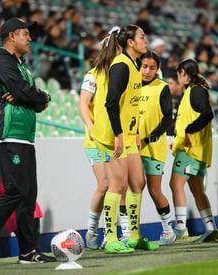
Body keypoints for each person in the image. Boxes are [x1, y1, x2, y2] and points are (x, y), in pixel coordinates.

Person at [0, 17, 55, 264]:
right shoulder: (0, 61)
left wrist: (39, 98)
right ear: (11, 36)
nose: (30, 39)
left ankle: (28, 252)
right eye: (25, 34)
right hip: (8, 135)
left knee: (28, 195)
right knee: (17, 190)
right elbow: (23, 91)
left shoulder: (20, 65)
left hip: (24, 136)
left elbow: (32, 97)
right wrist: (32, 97)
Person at [91, 24, 159, 254]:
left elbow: (129, 104)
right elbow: (111, 102)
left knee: (138, 182)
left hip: (128, 135)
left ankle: (134, 236)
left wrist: (135, 131)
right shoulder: (121, 65)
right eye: (142, 37)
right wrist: (119, 135)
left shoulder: (134, 64)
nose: (145, 40)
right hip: (111, 136)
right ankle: (111, 239)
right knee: (117, 184)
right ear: (130, 42)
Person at [78, 27, 123, 249]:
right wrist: (91, 127)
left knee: (115, 185)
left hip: (111, 138)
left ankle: (110, 233)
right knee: (105, 184)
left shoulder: (118, 74)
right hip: (94, 141)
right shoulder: (93, 75)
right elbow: (83, 104)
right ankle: (93, 230)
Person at [169, 58, 218, 243]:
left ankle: (181, 228)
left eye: (178, 74)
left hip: (190, 150)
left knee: (175, 185)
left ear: (183, 73)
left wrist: (189, 130)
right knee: (197, 188)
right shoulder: (197, 90)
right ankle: (210, 227)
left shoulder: (195, 91)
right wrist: (179, 137)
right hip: (196, 149)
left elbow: (207, 113)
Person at [138, 51, 175, 245]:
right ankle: (129, 234)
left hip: (153, 147)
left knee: (154, 190)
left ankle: (168, 230)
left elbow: (168, 117)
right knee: (132, 189)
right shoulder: (131, 86)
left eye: (152, 68)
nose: (147, 71)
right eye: (144, 66)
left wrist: (151, 137)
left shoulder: (162, 87)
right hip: (133, 147)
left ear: (157, 69)